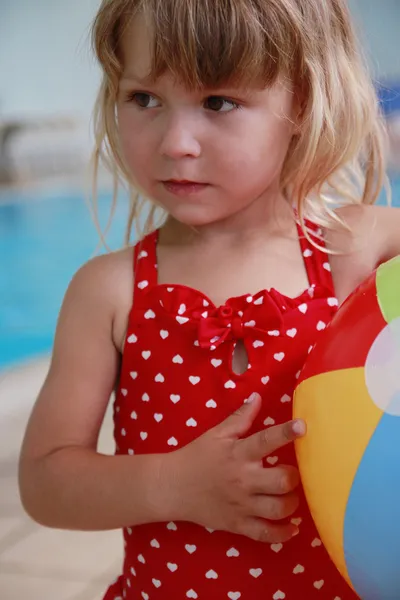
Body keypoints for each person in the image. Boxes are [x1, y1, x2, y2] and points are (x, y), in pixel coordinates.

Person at [19, 0, 400, 598]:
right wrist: (171, 483)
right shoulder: (112, 292)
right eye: (144, 98)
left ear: (302, 102)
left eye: (218, 102)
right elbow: (44, 481)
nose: (176, 142)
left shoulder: (347, 255)